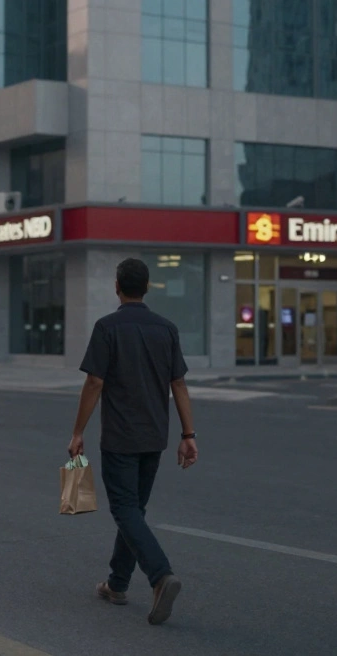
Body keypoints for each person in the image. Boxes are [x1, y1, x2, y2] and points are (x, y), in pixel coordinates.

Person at [68, 257, 198, 626]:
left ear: (117, 287)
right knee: (133, 512)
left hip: (121, 437)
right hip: (155, 436)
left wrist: (78, 432)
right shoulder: (166, 328)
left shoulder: (108, 327)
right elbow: (179, 385)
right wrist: (188, 435)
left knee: (125, 510)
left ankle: (160, 576)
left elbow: (95, 382)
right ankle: (117, 584)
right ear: (148, 287)